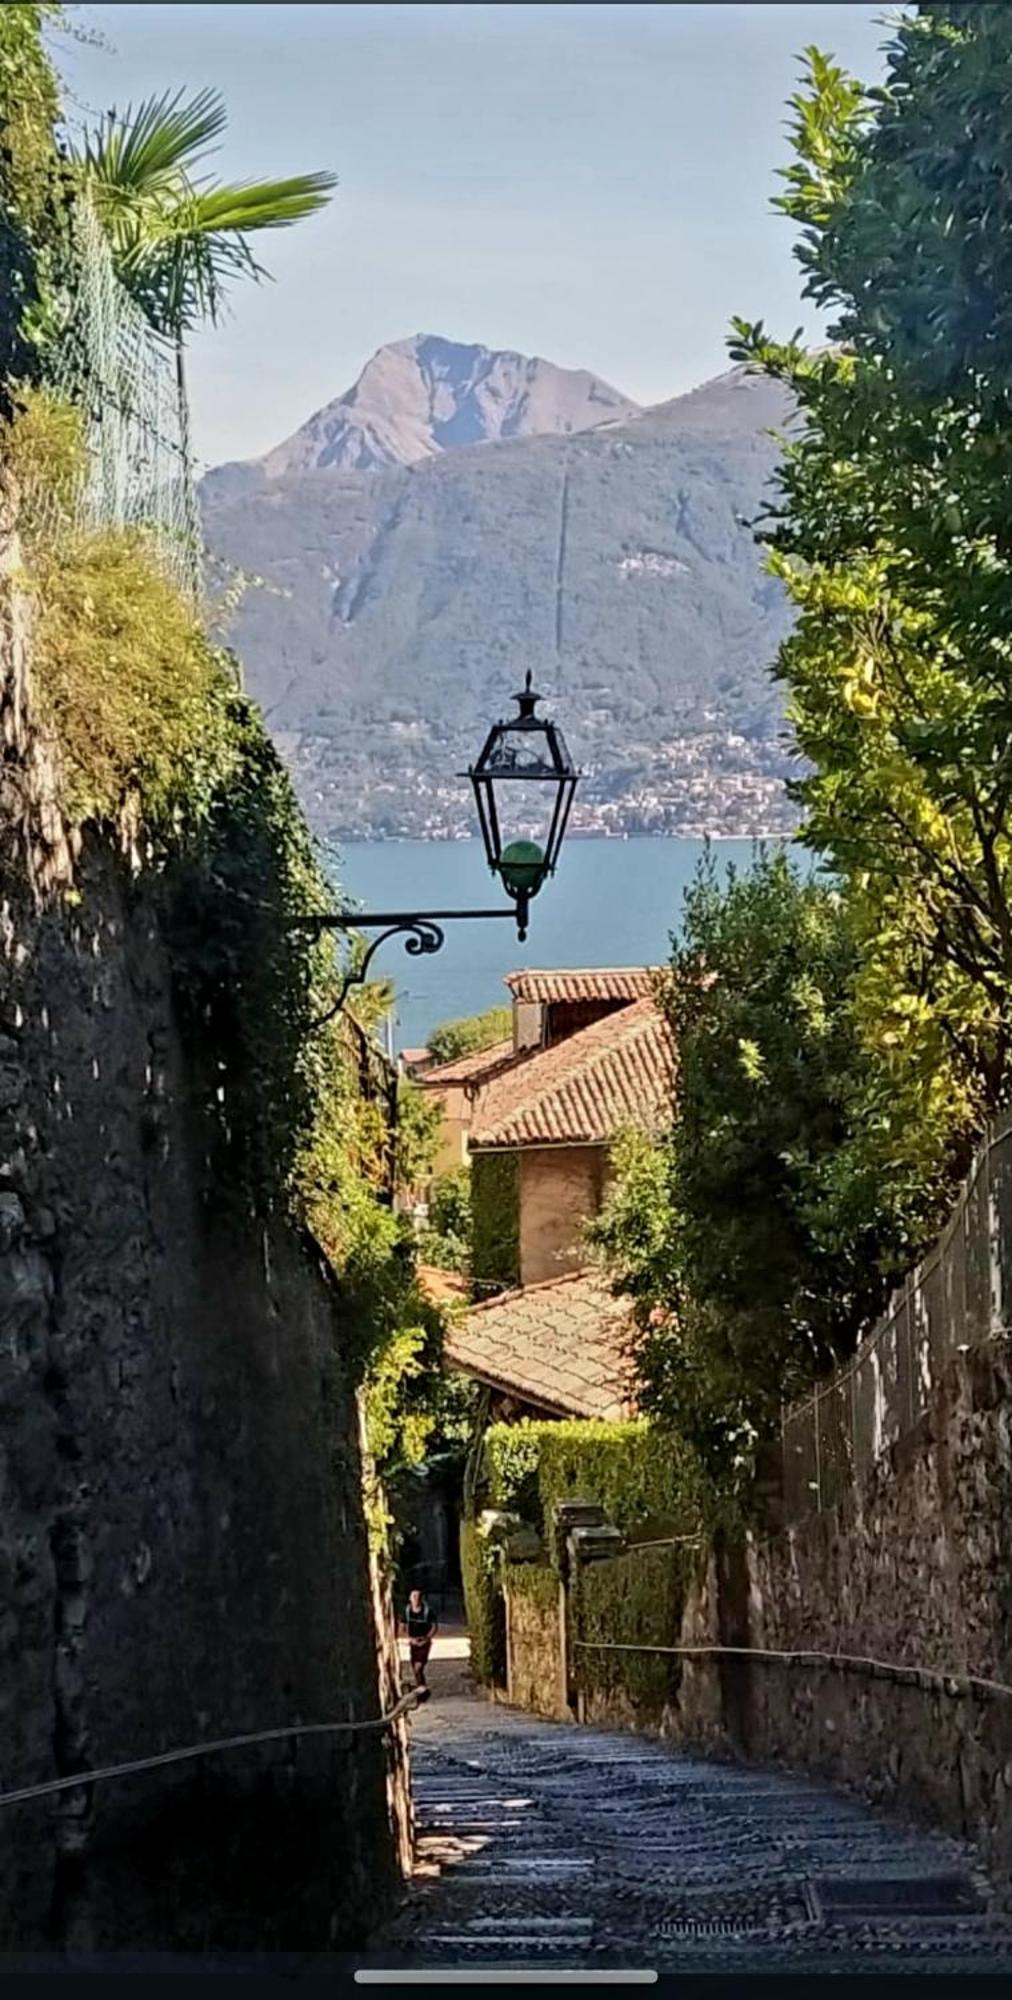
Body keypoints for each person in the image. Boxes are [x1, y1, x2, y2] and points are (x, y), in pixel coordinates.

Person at [402, 1586, 438, 1690]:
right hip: (413, 1642)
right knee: (415, 1668)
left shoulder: (427, 1611)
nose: (416, 1599)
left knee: (419, 1667)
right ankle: (421, 1687)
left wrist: (427, 1638)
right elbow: (402, 1626)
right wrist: (409, 1638)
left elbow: (434, 1626)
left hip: (424, 1642)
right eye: (414, 1596)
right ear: (410, 1598)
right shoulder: (407, 1611)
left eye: (418, 1596)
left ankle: (421, 1688)